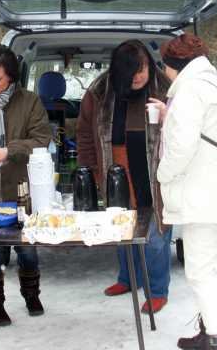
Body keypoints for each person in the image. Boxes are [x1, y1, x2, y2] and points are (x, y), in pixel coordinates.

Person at [154, 34, 217, 350]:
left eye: (166, 67)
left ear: (175, 65)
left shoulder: (189, 91)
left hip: (201, 193)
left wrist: (162, 174)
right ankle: (212, 330)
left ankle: (216, 338)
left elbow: (182, 147)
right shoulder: (211, 85)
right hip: (215, 189)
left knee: (200, 270)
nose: (165, 73)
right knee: (205, 266)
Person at [77, 39, 172, 314]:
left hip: (155, 172)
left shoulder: (165, 87)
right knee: (120, 227)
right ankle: (128, 279)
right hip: (115, 168)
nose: (139, 76)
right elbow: (84, 134)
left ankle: (157, 290)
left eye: (142, 69)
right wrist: (90, 169)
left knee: (155, 235)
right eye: (132, 72)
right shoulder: (99, 90)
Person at [0, 43, 52, 327]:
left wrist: (10, 149)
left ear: (11, 78)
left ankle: (31, 294)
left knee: (28, 249)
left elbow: (43, 139)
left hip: (21, 191)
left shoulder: (29, 102)